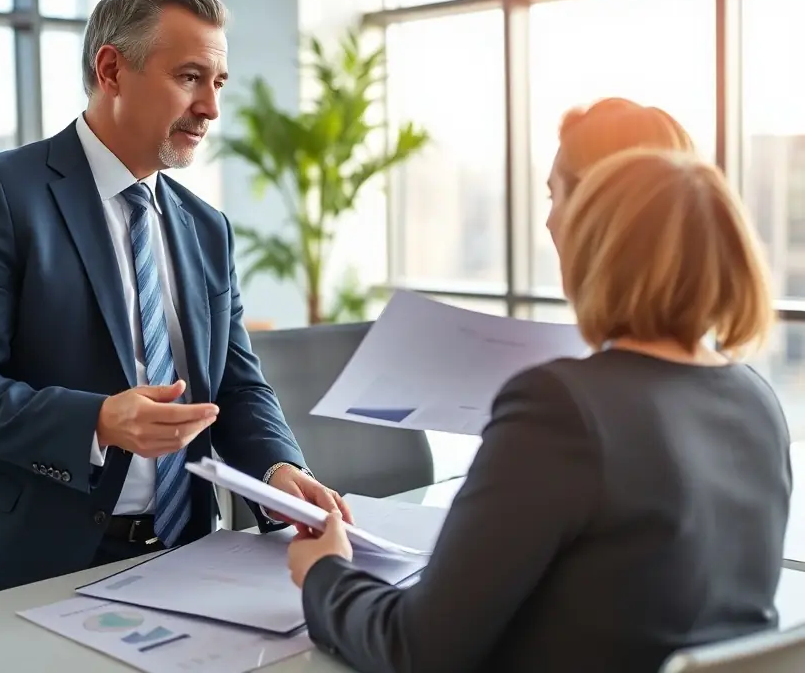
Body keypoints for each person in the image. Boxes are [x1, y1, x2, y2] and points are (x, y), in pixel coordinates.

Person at [0, 0, 351, 608]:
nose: (211, 108)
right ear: (111, 70)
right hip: (26, 568)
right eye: (189, 77)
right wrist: (98, 421)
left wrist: (278, 471)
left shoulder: (206, 228)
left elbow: (236, 385)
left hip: (186, 556)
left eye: (218, 84)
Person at [287, 144, 792, 672]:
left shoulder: (562, 408)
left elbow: (418, 649)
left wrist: (326, 575)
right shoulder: (757, 400)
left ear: (595, 254)